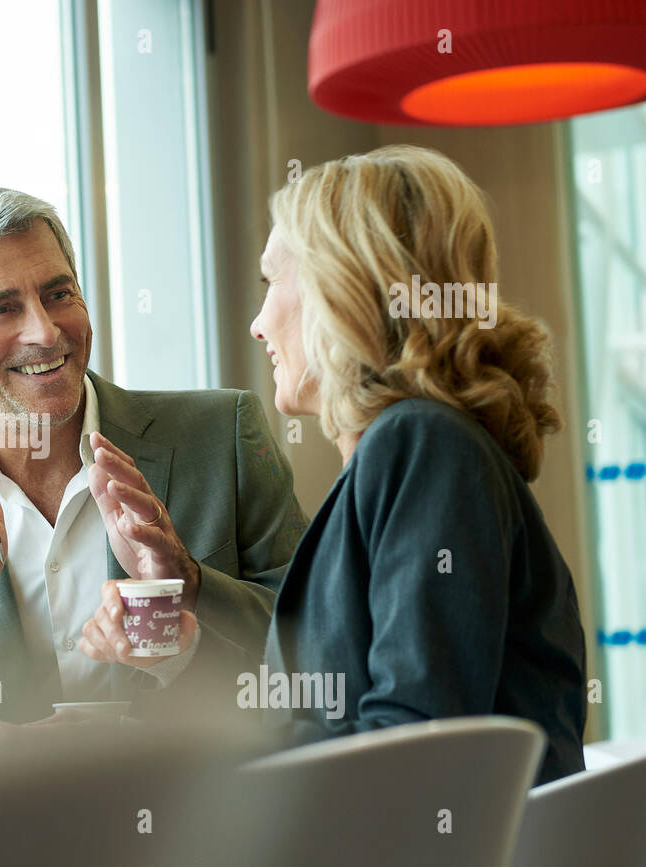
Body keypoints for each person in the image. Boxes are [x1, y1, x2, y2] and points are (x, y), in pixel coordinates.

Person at [83, 145, 587, 785]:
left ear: (340, 289)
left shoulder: (422, 445)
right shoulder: (416, 450)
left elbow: (409, 752)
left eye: (272, 282)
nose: (257, 323)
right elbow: (334, 720)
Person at [0, 186, 308, 781]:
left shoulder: (222, 437)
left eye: (59, 293)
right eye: (1, 309)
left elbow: (318, 653)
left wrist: (186, 602)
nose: (45, 331)